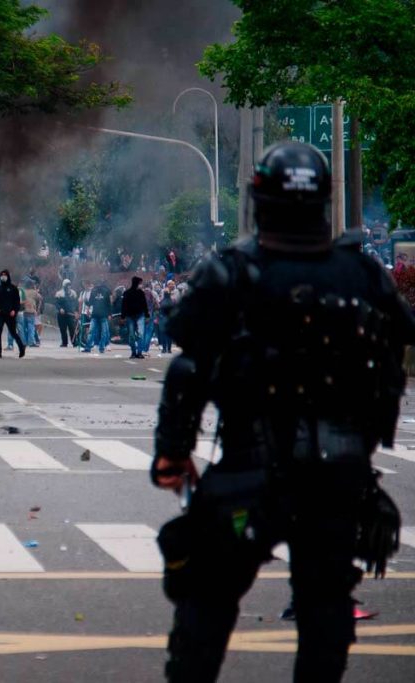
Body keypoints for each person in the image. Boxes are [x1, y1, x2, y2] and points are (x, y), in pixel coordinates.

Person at [151, 142, 414, 682]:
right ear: (324, 200)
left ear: (258, 199)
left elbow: (187, 369)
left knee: (206, 601)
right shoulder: (365, 276)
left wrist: (173, 455)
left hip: (254, 471)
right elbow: (399, 348)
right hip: (341, 476)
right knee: (325, 607)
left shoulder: (233, 273)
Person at [0, 269, 25, 359]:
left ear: (8, 276)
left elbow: (17, 302)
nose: (3, 277)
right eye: (2, 275)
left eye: (5, 275)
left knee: (13, 332)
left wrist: (14, 310)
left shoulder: (13, 288)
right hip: (0, 314)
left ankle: (21, 348)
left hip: (10, 314)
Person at [121, 276, 148, 359]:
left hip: (140, 315)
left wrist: (147, 315)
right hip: (130, 316)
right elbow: (124, 306)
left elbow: (144, 304)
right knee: (131, 335)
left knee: (140, 334)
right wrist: (123, 317)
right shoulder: (127, 293)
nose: (141, 285)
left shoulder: (141, 293)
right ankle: (133, 352)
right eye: (140, 283)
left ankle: (139, 352)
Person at [84, 279, 112, 354]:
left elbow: (108, 304)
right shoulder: (100, 291)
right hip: (97, 315)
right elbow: (90, 303)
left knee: (99, 332)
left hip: (101, 315)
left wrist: (109, 314)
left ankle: (98, 347)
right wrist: (87, 310)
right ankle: (92, 347)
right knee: (96, 332)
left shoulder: (103, 291)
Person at [55, 278, 77, 348]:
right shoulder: (59, 293)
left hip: (70, 314)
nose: (68, 286)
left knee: (72, 329)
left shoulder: (73, 293)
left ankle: (74, 342)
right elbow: (57, 303)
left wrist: (76, 311)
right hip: (61, 315)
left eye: (69, 285)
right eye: (67, 285)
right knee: (63, 329)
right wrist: (60, 309)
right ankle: (64, 343)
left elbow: (76, 303)